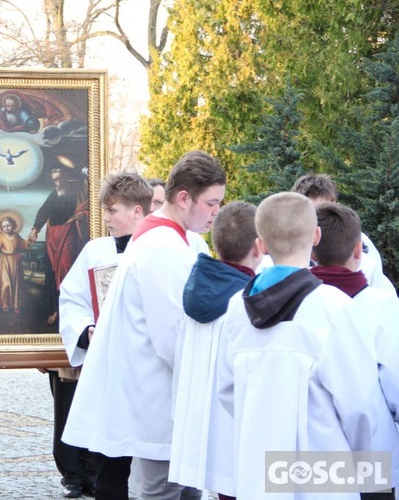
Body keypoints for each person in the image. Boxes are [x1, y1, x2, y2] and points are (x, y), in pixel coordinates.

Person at [63, 150, 226, 499]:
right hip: (161, 394)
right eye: (211, 203)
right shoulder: (162, 247)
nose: (216, 212)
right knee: (163, 491)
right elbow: (171, 337)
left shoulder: (166, 238)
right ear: (184, 198)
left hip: (161, 392)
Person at [217, 192, 390, 498]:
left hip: (258, 469)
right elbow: (360, 405)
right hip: (322, 472)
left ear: (261, 245)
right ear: (316, 237)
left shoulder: (235, 309)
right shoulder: (333, 308)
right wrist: (370, 473)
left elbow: (227, 391)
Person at [58, 171, 153, 498]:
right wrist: (86, 330)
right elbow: (72, 297)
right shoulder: (96, 251)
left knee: (154, 468)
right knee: (111, 466)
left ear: (137, 212)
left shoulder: (162, 250)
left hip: (151, 374)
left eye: (112, 210)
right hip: (112, 372)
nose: (106, 217)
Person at [169, 201, 262, 500]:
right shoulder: (249, 302)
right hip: (235, 427)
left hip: (199, 421)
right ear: (259, 247)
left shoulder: (195, 286)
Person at [310, 202, 399, 499]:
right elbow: (395, 381)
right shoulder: (380, 305)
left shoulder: (297, 303)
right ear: (359, 251)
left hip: (311, 453)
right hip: (372, 454)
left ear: (312, 253)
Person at [291, 172, 395, 292]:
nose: (321, 219)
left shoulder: (361, 243)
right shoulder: (289, 254)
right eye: (314, 213)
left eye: (327, 209)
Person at [29, 167, 89, 324]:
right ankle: (56, 308)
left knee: (66, 268)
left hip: (69, 233)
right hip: (53, 236)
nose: (58, 183)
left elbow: (87, 209)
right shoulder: (54, 195)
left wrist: (83, 216)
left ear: (66, 178)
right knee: (54, 272)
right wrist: (35, 229)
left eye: (60, 179)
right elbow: (44, 211)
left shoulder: (78, 192)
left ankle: (69, 309)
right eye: (55, 180)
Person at [0, 215, 30, 314]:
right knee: (5, 283)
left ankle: (16, 305)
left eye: (8, 225)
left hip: (15, 261)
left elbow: (23, 244)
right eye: (4, 227)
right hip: (4, 261)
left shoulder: (16, 235)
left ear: (13, 225)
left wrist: (30, 240)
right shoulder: (2, 236)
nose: (7, 228)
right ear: (2, 228)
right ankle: (5, 304)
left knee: (15, 282)